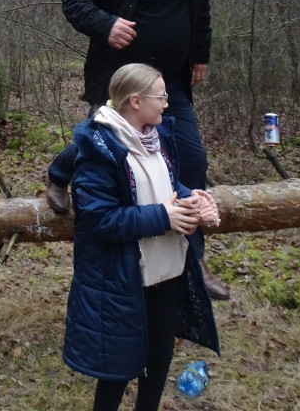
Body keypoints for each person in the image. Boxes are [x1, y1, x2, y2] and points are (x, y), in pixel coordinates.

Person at [59, 0, 230, 301]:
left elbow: (201, 12)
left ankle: (194, 262)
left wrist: (200, 55)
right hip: (120, 83)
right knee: (101, 152)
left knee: (190, 160)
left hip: (170, 84)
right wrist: (106, 24)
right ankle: (58, 176)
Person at [49, 63, 220, 411]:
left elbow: (166, 186)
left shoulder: (159, 137)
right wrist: (164, 217)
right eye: (161, 97)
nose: (167, 104)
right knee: (117, 370)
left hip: (167, 271)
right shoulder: (98, 148)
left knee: (157, 362)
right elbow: (99, 219)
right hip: (123, 278)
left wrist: (192, 197)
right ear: (136, 101)